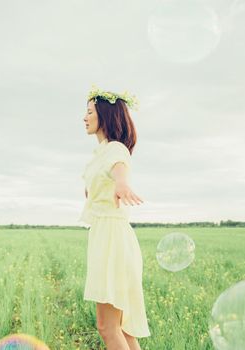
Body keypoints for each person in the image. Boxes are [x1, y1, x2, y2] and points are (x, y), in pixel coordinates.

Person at [79, 85, 151, 349]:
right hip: (106, 236)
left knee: (107, 327)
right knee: (121, 328)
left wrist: (122, 183)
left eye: (89, 112)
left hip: (111, 239)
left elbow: (120, 168)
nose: (84, 118)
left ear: (105, 116)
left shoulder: (115, 150)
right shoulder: (100, 154)